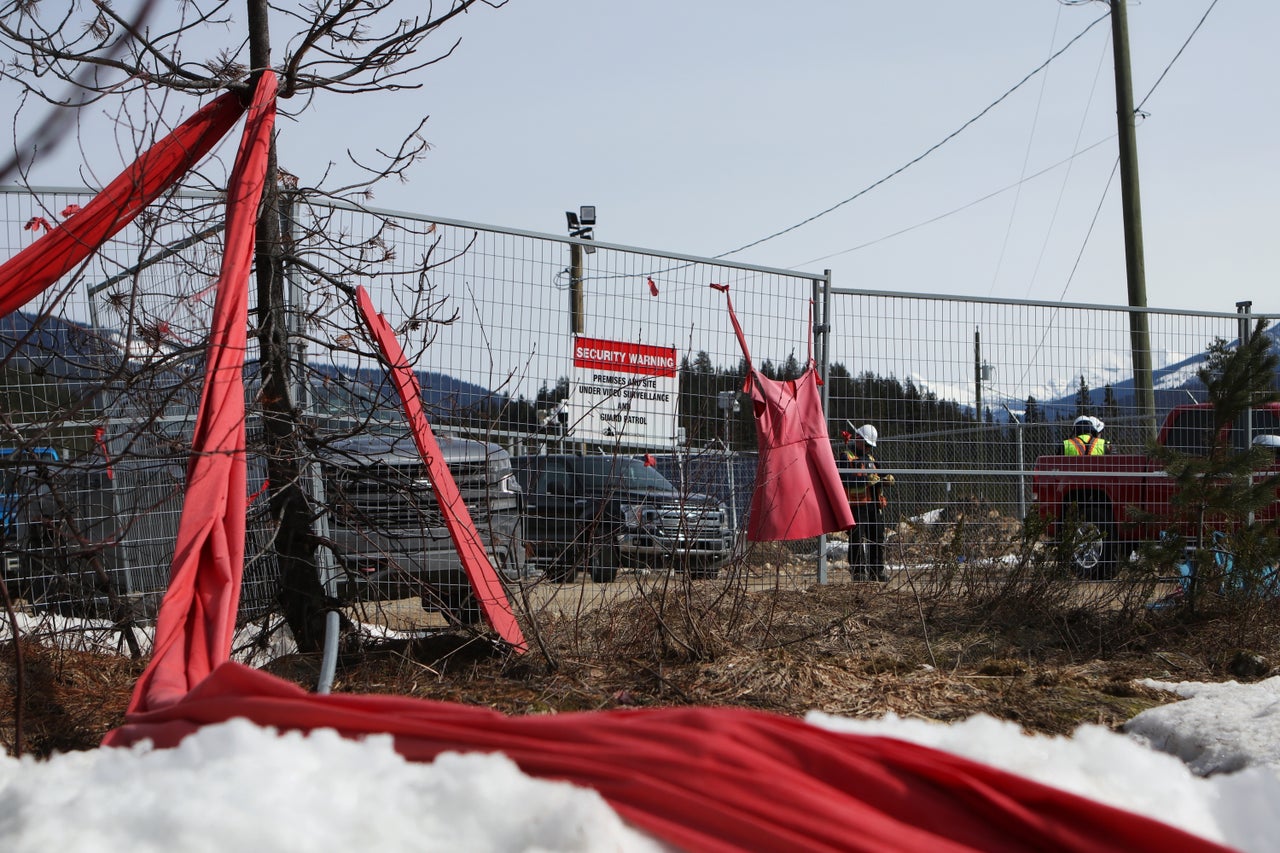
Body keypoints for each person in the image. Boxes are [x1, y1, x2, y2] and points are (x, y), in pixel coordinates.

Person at [838, 423, 892, 582]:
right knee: (857, 539)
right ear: (858, 439)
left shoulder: (871, 458)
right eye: (867, 445)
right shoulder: (846, 456)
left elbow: (879, 474)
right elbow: (845, 479)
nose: (869, 449)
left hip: (873, 505)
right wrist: (864, 480)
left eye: (870, 446)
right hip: (856, 505)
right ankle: (858, 572)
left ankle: (877, 571)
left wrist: (885, 479)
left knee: (877, 538)